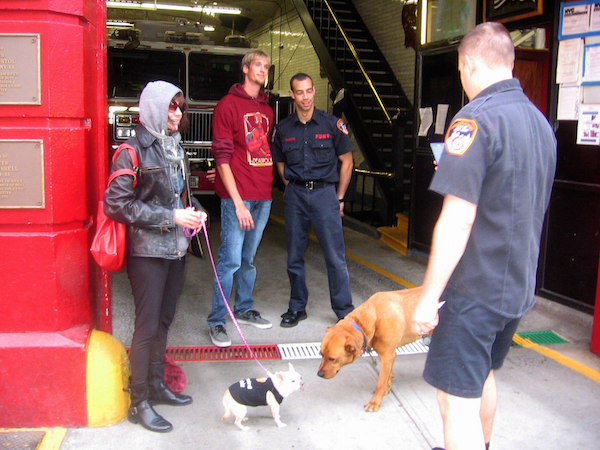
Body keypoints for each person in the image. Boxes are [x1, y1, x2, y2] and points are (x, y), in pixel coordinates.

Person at [410, 22, 556, 450]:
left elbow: (457, 220)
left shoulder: (474, 119)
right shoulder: (539, 122)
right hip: (515, 286)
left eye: (459, 69)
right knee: (483, 374)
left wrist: (426, 298)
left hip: (474, 290)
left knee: (454, 400)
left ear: (469, 63)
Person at [104, 81, 208, 432]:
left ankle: (158, 385)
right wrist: (172, 217)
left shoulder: (175, 147)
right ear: (153, 109)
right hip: (147, 253)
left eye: (180, 107)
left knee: (164, 321)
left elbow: (181, 197)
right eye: (171, 107)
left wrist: (196, 211)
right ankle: (139, 401)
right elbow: (116, 204)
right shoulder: (131, 151)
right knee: (147, 327)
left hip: (176, 250)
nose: (178, 113)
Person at [272, 73, 355, 327]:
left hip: (324, 195)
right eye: (299, 92)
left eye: (308, 91)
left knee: (334, 256)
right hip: (296, 195)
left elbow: (347, 162)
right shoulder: (283, 128)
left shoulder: (332, 124)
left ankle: (344, 310)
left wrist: (338, 197)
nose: (305, 97)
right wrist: (293, 187)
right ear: (292, 94)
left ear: (314, 91)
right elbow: (280, 162)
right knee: (294, 255)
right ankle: (297, 307)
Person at [207, 50, 275, 347]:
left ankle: (244, 308)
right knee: (230, 260)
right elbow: (222, 158)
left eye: (267, 66)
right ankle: (217, 321)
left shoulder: (267, 110)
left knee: (248, 260)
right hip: (239, 197)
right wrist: (236, 203)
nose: (263, 70)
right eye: (258, 65)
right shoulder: (227, 105)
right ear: (246, 69)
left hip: (263, 194)